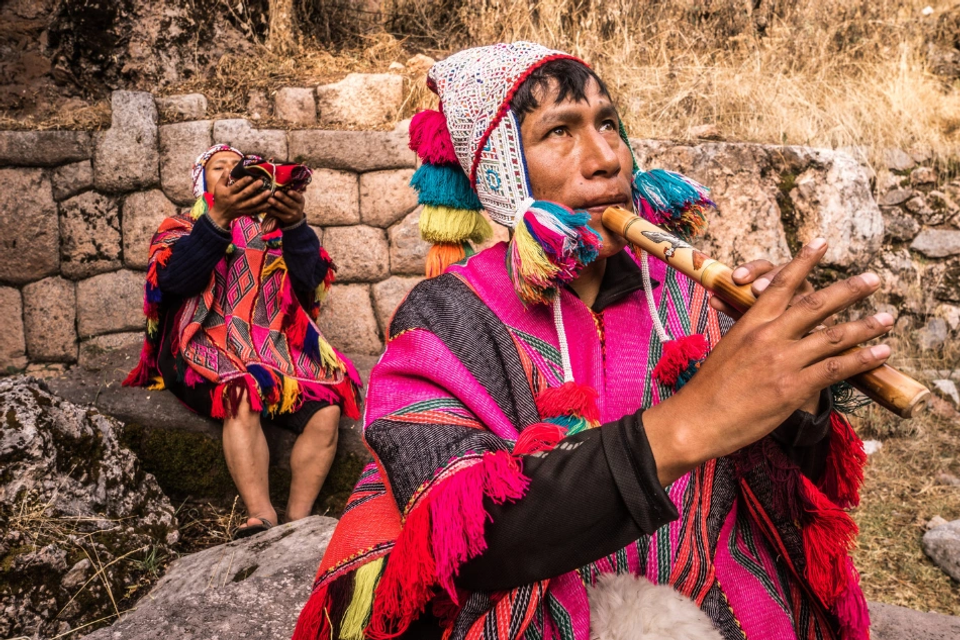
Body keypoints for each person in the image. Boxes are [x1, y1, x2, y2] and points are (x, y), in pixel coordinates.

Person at [292, 43, 886, 640]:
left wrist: (797, 392)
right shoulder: (443, 315)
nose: (606, 159)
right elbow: (468, 543)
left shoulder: (691, 296)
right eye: (559, 131)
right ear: (503, 172)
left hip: (722, 603)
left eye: (608, 124)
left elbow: (793, 480)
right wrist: (690, 423)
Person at [125, 144, 361, 538]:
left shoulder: (276, 233)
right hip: (202, 344)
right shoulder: (179, 228)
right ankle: (261, 516)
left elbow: (310, 284)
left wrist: (296, 225)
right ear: (203, 185)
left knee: (328, 407)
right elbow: (174, 282)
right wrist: (218, 219)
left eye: (240, 169)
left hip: (271, 348)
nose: (231, 173)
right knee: (240, 392)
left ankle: (299, 521)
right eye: (220, 168)